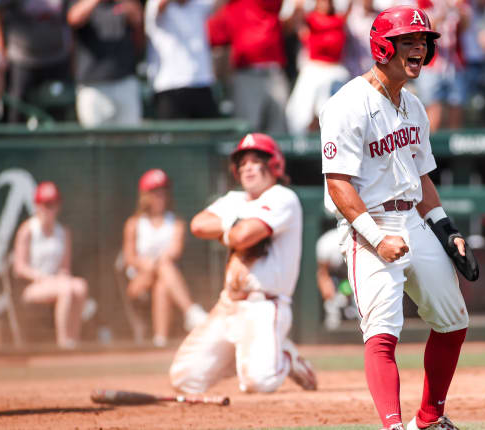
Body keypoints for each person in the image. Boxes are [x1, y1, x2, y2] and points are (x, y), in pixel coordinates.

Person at [319, 6, 476, 430]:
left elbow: (421, 176)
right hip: (368, 226)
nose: (419, 49)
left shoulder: (414, 106)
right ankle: (392, 426)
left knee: (453, 321)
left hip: (414, 221)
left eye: (423, 42)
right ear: (382, 46)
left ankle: (428, 419)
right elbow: (338, 185)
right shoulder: (346, 104)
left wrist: (447, 230)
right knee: (383, 334)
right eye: (409, 40)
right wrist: (375, 237)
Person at [169, 133, 317, 395]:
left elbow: (245, 235)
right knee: (184, 380)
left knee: (258, 383)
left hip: (265, 306)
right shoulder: (234, 200)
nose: (247, 167)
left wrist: (232, 227)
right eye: (242, 162)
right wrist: (234, 226)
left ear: (274, 165)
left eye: (255, 160)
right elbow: (198, 224)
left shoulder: (282, 197)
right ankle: (250, 355)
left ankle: (285, 356)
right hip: (229, 305)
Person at [123, 169, 208, 347]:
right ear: (145, 196)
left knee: (162, 282)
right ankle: (190, 311)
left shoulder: (176, 223)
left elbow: (175, 251)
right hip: (139, 280)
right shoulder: (134, 223)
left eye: (163, 192)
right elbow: (129, 257)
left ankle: (160, 341)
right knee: (163, 267)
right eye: (154, 193)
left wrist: (156, 263)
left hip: (166, 277)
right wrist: (146, 264)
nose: (159, 197)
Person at [12, 182, 91, 349]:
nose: (49, 209)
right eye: (46, 204)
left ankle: (74, 341)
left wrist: (61, 277)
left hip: (55, 282)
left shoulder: (63, 232)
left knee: (80, 286)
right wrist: (42, 277)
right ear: (37, 206)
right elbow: (19, 267)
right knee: (66, 290)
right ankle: (63, 344)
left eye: (53, 204)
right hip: (32, 286)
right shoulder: (27, 230)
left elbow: (64, 268)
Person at [208, 0, 290, 133]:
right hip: (246, 75)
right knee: (248, 131)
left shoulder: (267, 4)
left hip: (274, 72)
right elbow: (213, 36)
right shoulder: (231, 8)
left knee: (278, 130)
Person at [67, 0, 144, 127]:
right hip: (92, 86)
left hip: (124, 81)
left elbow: (137, 18)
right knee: (95, 142)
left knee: (129, 142)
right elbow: (74, 18)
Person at [0, 0, 72, 123]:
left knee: (59, 116)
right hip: (21, 60)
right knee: (17, 116)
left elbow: (72, 14)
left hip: (57, 59)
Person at [144, 0, 220, 119]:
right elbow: (158, 10)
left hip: (202, 83)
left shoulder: (200, 3)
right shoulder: (155, 3)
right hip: (168, 86)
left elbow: (220, 5)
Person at [285, 0, 351, 136]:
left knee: (338, 116)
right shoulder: (309, 21)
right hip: (314, 70)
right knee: (299, 114)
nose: (324, 5)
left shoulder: (339, 21)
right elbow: (295, 21)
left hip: (336, 72)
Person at [414, 0, 470, 132]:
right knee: (434, 113)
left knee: (456, 109)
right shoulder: (424, 2)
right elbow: (424, 29)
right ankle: (430, 150)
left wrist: (460, 11)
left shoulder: (457, 2)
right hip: (432, 64)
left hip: (455, 64)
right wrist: (443, 12)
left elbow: (466, 26)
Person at [316, 228, 357, 330]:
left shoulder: (360, 240)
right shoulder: (326, 243)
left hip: (357, 273)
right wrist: (329, 294)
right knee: (332, 304)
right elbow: (323, 273)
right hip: (337, 276)